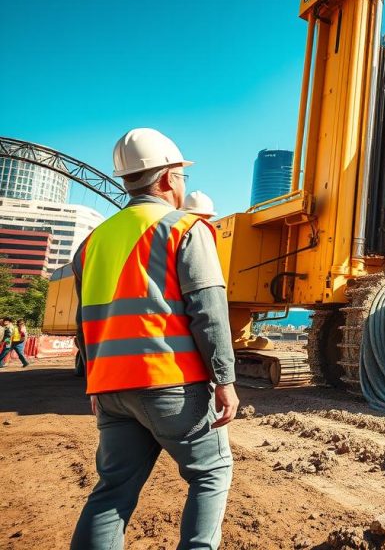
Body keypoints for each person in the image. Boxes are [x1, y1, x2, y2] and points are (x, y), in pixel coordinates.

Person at [70, 128, 238, 550]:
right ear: (166, 179)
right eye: (182, 175)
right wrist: (225, 380)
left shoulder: (93, 242)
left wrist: (95, 378)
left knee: (112, 491)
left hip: (110, 388)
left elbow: (85, 321)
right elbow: (209, 311)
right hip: (170, 383)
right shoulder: (184, 228)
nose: (185, 184)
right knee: (211, 473)